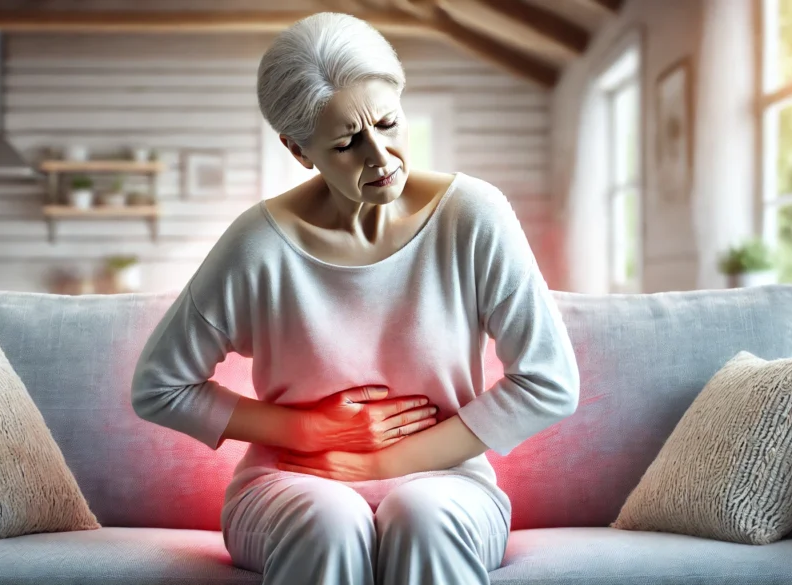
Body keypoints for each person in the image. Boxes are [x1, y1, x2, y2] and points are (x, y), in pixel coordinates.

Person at [130, 11, 580, 585]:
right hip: (288, 489)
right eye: (347, 143)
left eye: (389, 123)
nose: (381, 157)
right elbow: (159, 386)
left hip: (450, 488)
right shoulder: (258, 245)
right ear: (298, 151)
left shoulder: (473, 215)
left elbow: (551, 382)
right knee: (329, 517)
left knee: (424, 515)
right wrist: (308, 432)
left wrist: (379, 463)